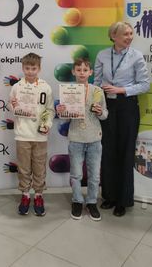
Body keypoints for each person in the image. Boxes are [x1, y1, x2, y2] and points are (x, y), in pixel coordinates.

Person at [94, 21, 150, 217]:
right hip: (107, 106)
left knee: (126, 152)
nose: (129, 37)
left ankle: (123, 200)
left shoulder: (136, 56)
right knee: (108, 150)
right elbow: (97, 81)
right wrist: (97, 97)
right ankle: (109, 196)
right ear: (113, 36)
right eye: (125, 34)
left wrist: (121, 89)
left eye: (131, 33)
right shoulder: (102, 55)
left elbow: (144, 85)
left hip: (127, 106)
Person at [56, 58, 108, 221]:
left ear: (90, 72)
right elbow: (64, 118)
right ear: (73, 72)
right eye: (78, 70)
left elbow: (105, 115)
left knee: (95, 175)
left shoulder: (97, 91)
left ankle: (92, 202)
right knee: (76, 174)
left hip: (94, 138)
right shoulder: (68, 91)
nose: (82, 73)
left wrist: (100, 112)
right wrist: (61, 111)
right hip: (76, 138)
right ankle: (77, 201)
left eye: (85, 70)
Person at [10, 52, 55, 216]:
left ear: (39, 69)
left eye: (33, 68)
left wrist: (47, 124)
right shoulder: (17, 87)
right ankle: (25, 195)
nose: (30, 71)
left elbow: (50, 110)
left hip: (40, 135)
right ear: (23, 68)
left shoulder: (45, 87)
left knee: (39, 167)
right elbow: (11, 106)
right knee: (23, 168)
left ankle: (38, 195)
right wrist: (13, 106)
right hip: (22, 134)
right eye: (27, 68)